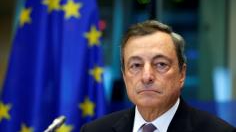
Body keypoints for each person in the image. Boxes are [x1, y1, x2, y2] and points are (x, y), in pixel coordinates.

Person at [80, 20, 236, 132]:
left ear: (182, 74)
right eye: (136, 65)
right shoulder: (95, 129)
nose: (147, 76)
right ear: (124, 75)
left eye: (161, 64)